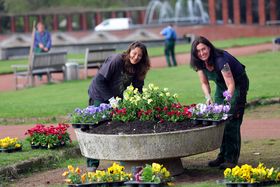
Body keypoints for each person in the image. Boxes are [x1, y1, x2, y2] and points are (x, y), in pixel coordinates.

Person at [87, 41, 151, 171]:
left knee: (121, 125)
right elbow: (99, 81)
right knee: (96, 127)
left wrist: (138, 104)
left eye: (139, 56)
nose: (136, 57)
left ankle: (124, 161)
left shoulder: (139, 68)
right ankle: (92, 164)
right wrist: (111, 100)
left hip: (116, 97)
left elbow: (138, 88)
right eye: (134, 53)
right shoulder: (116, 60)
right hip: (99, 94)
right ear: (129, 52)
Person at [190, 36, 249, 169]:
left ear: (209, 47)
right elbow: (204, 82)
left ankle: (231, 159)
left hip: (237, 84)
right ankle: (222, 155)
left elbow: (231, 83)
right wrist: (208, 97)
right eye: (198, 51)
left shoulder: (220, 59)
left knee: (231, 118)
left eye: (203, 49)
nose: (202, 53)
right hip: (221, 85)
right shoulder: (199, 62)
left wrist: (228, 102)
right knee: (219, 119)